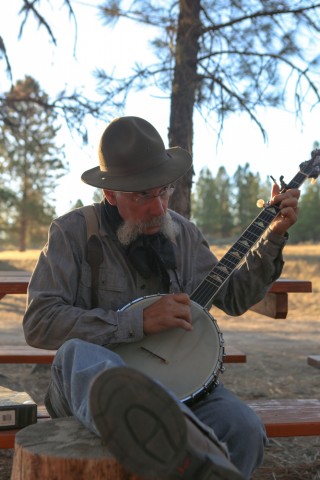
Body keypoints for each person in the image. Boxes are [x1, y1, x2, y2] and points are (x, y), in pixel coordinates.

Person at [23, 116, 300, 480]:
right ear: (110, 193)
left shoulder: (183, 234)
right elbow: (39, 321)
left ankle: (170, 430)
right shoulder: (72, 232)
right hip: (87, 387)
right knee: (78, 353)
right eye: (142, 195)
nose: (158, 207)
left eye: (163, 190)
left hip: (175, 390)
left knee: (243, 428)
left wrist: (274, 236)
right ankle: (155, 425)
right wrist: (135, 322)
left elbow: (234, 297)